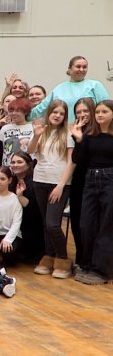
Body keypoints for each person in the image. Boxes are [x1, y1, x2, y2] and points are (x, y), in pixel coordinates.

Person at [28, 100, 75, 278]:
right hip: (40, 180)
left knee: (53, 223)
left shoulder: (68, 133)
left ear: (65, 117)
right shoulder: (42, 131)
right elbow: (30, 151)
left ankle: (62, 258)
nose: (57, 116)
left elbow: (71, 162)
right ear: (49, 113)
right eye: (55, 112)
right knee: (45, 223)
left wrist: (60, 186)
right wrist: (36, 136)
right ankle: (49, 256)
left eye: (61, 113)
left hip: (59, 183)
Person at [72, 100, 113, 285]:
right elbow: (78, 159)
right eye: (97, 112)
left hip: (110, 179)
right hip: (90, 180)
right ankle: (86, 264)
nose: (100, 115)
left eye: (104, 111)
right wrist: (79, 139)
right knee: (86, 224)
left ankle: (101, 270)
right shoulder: (90, 136)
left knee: (106, 226)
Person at [30, 56, 109, 122]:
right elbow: (41, 109)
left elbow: (107, 108)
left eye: (84, 67)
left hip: (91, 131)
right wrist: (24, 113)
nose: (81, 69)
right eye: (78, 66)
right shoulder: (59, 89)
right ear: (69, 69)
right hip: (65, 131)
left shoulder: (95, 85)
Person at [68, 97, 95, 270]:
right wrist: (78, 138)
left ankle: (92, 260)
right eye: (79, 112)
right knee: (77, 220)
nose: (82, 114)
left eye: (85, 111)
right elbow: (76, 159)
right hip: (78, 180)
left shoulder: (99, 132)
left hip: (96, 181)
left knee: (91, 222)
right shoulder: (75, 131)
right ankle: (80, 258)